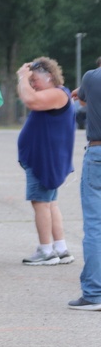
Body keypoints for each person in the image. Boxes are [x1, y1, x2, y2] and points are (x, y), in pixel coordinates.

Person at [16, 57, 76, 266]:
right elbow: (27, 95)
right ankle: (60, 248)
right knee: (50, 203)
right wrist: (25, 79)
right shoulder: (56, 93)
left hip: (44, 160)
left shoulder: (57, 94)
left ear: (49, 76)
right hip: (46, 158)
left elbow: (29, 100)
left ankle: (46, 250)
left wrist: (23, 76)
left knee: (40, 203)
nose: (31, 84)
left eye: (35, 79)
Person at [70, 64, 101, 309]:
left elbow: (80, 98)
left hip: (98, 152)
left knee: (95, 226)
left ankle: (94, 292)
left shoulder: (92, 77)